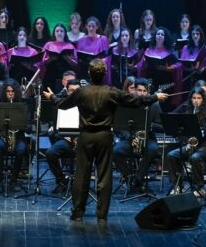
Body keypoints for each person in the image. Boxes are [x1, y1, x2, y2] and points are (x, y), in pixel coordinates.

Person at [42, 59, 167, 222]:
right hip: (104, 136)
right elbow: (136, 101)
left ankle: (78, 212)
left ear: (89, 74)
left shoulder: (82, 92)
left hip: (85, 136)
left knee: (81, 176)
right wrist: (155, 96)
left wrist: (52, 96)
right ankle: (102, 214)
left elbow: (62, 104)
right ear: (105, 74)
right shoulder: (112, 92)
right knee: (104, 176)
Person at [113, 78, 163, 194]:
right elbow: (120, 126)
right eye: (139, 90)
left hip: (148, 139)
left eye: (144, 91)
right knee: (115, 151)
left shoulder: (154, 105)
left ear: (148, 92)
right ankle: (129, 178)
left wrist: (149, 126)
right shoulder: (128, 104)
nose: (141, 93)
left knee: (153, 150)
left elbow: (161, 125)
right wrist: (131, 138)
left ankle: (137, 180)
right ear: (134, 90)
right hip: (131, 139)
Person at [166, 87, 206, 198]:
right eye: (194, 98)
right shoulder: (188, 112)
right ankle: (178, 186)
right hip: (191, 144)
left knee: (195, 157)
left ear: (203, 99)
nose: (196, 101)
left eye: (199, 98)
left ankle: (200, 188)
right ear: (191, 99)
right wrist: (187, 142)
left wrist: (201, 133)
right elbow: (182, 131)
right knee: (171, 155)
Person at [0, 81, 28, 194]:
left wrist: (23, 124)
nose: (10, 94)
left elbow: (27, 125)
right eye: (8, 91)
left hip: (17, 136)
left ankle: (14, 180)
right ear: (4, 92)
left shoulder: (21, 106)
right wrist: (1, 136)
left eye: (12, 91)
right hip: (0, 137)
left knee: (21, 149)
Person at [45, 77, 82, 193]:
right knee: (50, 153)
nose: (74, 93)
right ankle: (61, 180)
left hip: (83, 140)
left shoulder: (87, 104)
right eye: (71, 90)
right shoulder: (61, 104)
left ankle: (81, 183)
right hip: (67, 141)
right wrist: (63, 135)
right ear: (66, 90)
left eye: (77, 90)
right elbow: (55, 129)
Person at [137, 27, 182, 92]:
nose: (160, 36)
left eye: (162, 34)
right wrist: (144, 64)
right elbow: (140, 65)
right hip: (150, 80)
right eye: (158, 34)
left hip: (165, 80)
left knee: (165, 93)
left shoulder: (169, 52)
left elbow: (179, 64)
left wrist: (170, 68)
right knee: (149, 93)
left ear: (165, 38)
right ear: (155, 36)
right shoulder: (148, 50)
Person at [41, 24, 78, 90]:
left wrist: (68, 58)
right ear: (54, 33)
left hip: (66, 75)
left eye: (61, 31)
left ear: (65, 33)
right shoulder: (48, 44)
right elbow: (42, 62)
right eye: (57, 31)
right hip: (51, 75)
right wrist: (50, 59)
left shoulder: (70, 45)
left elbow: (76, 64)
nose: (59, 33)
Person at [77, 16, 111, 85]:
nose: (91, 28)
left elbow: (108, 57)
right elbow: (78, 57)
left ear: (97, 27)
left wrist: (101, 61)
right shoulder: (81, 40)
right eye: (89, 26)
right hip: (86, 71)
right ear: (86, 26)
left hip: (99, 71)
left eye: (93, 26)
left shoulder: (103, 39)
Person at [179, 25, 206, 92]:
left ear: (201, 35)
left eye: (197, 34)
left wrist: (203, 68)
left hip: (201, 78)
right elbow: (181, 64)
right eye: (193, 34)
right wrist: (191, 68)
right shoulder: (185, 48)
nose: (195, 36)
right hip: (188, 77)